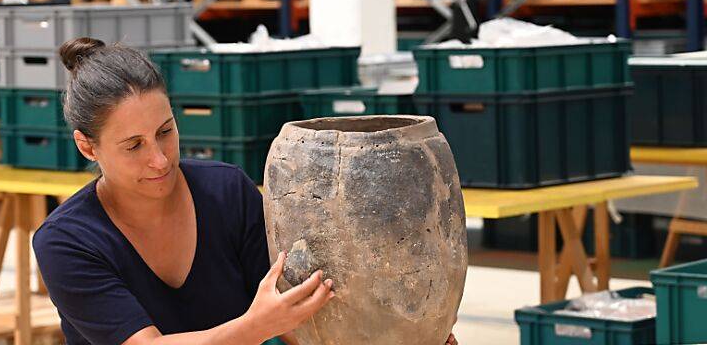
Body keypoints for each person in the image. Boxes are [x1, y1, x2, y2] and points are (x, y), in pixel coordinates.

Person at [32, 38, 458, 345]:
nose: (159, 159)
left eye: (165, 132)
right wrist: (256, 327)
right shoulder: (66, 241)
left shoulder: (226, 191)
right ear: (87, 146)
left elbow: (293, 314)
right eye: (133, 146)